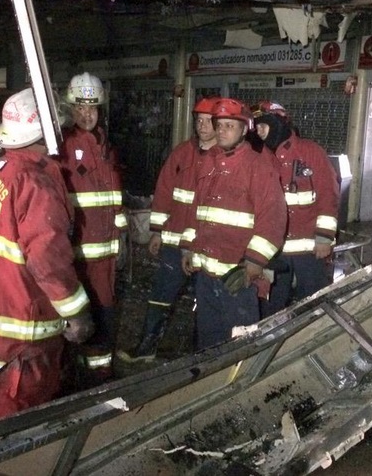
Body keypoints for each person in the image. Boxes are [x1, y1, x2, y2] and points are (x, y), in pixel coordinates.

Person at [0, 88, 93, 420]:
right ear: (44, 131)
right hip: (24, 334)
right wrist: (77, 313)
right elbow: (48, 260)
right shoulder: (36, 181)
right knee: (19, 425)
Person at [117, 96, 219, 363]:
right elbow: (163, 192)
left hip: (207, 247)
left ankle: (199, 355)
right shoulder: (182, 153)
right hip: (173, 244)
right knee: (160, 296)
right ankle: (147, 348)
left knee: (206, 303)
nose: (202, 126)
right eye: (199, 120)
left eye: (208, 121)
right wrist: (157, 232)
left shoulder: (226, 158)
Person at [180, 98, 287, 350]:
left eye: (230, 125)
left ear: (244, 129)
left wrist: (254, 262)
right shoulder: (209, 162)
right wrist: (187, 246)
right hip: (206, 275)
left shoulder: (258, 166)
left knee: (240, 345)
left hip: (238, 277)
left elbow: (273, 218)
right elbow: (196, 210)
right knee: (208, 343)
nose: (222, 130)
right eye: (219, 125)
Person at [57, 72, 126, 379]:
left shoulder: (104, 145)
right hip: (79, 252)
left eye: (93, 108)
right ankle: (76, 374)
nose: (87, 114)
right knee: (77, 315)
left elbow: (113, 196)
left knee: (105, 314)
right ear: (71, 108)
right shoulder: (63, 145)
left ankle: (99, 377)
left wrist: (121, 236)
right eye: (81, 108)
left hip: (106, 254)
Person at [253, 101, 339, 318]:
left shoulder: (310, 152)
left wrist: (324, 238)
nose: (259, 132)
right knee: (270, 306)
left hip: (309, 249)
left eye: (263, 126)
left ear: (277, 124)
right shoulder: (258, 157)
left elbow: (328, 195)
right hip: (273, 250)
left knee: (313, 303)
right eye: (257, 127)